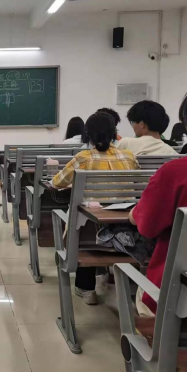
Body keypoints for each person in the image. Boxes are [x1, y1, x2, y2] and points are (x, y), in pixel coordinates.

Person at [129, 81, 187, 315]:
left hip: (176, 295)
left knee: (141, 289)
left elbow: (147, 227)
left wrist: (134, 213)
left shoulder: (175, 173)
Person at [52, 112, 139, 305]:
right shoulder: (129, 157)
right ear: (114, 133)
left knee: (83, 220)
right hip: (127, 230)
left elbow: (57, 182)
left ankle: (87, 288)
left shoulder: (83, 158)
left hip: (91, 234)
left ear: (88, 135)